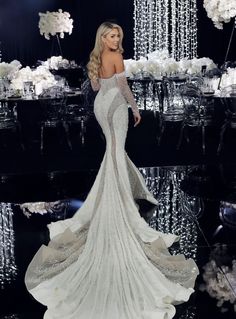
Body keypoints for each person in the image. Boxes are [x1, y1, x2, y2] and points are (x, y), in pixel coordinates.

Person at [25, 22, 199, 319]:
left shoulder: (99, 58)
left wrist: (102, 79)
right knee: (117, 152)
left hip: (100, 105)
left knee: (113, 153)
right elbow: (123, 86)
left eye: (118, 35)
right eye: (111, 36)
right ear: (102, 38)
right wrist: (135, 108)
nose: (116, 39)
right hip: (116, 105)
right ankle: (117, 199)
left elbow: (96, 87)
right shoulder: (115, 57)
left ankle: (116, 192)